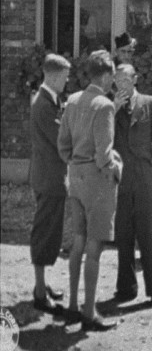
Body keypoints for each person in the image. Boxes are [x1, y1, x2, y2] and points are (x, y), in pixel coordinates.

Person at [58, 50, 123, 332]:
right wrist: (116, 167)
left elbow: (63, 146)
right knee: (95, 247)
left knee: (78, 241)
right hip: (97, 180)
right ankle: (89, 311)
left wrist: (75, 164)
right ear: (106, 75)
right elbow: (103, 155)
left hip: (75, 175)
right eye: (113, 77)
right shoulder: (105, 105)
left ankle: (73, 305)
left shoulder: (72, 101)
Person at [112, 63, 152, 309]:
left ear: (135, 80)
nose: (122, 85)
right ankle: (126, 287)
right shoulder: (108, 107)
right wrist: (113, 109)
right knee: (123, 233)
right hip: (121, 178)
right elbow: (102, 136)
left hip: (145, 176)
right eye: (118, 80)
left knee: (148, 234)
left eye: (126, 80)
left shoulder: (149, 103)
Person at [29, 53, 71, 316]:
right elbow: (61, 140)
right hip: (49, 177)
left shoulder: (49, 100)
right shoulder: (44, 105)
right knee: (45, 232)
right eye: (65, 78)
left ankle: (42, 285)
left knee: (50, 231)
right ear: (54, 76)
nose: (67, 82)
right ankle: (39, 292)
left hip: (51, 175)